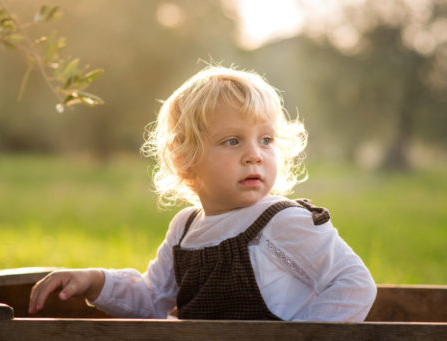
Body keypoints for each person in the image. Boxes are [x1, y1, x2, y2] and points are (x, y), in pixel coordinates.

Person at [27, 66, 377, 321]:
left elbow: (353, 283)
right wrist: (93, 280)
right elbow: (152, 299)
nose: (254, 153)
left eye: (266, 140)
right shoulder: (185, 228)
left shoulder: (284, 221)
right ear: (185, 161)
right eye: (232, 141)